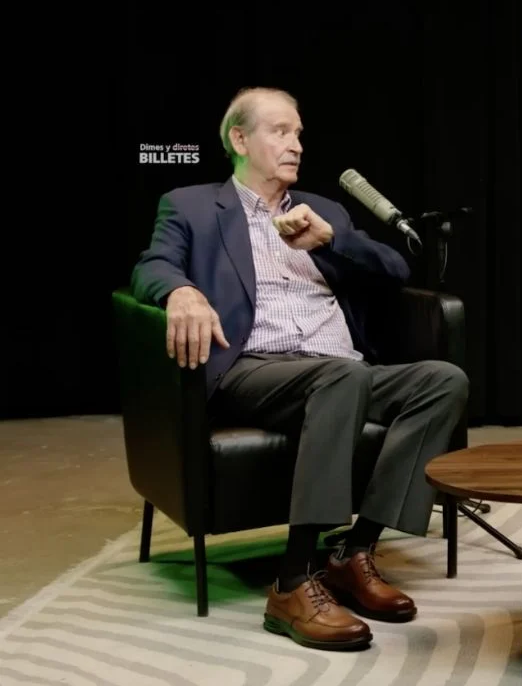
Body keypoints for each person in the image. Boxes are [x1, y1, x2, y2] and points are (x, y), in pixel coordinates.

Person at [131, 87, 469, 651]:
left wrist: (330, 242)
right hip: (253, 368)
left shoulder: (323, 211)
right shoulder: (192, 206)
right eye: (280, 131)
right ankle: (292, 583)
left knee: (443, 380)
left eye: (299, 134)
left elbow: (393, 269)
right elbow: (152, 265)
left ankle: (353, 552)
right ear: (240, 140)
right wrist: (180, 291)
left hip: (340, 368)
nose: (296, 145)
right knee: (342, 377)